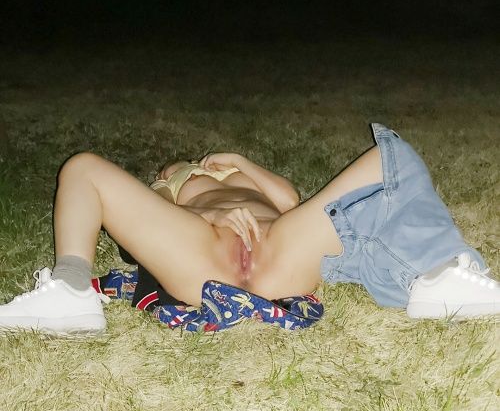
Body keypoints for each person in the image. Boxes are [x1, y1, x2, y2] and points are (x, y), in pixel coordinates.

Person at [0, 122, 498, 335]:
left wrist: (239, 162)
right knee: (82, 167)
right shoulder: (167, 188)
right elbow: (143, 241)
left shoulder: (239, 174)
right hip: (208, 255)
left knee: (391, 156)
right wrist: (209, 213)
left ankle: (439, 276)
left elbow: (288, 201)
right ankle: (70, 289)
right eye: (178, 168)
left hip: (279, 252)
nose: (191, 165)